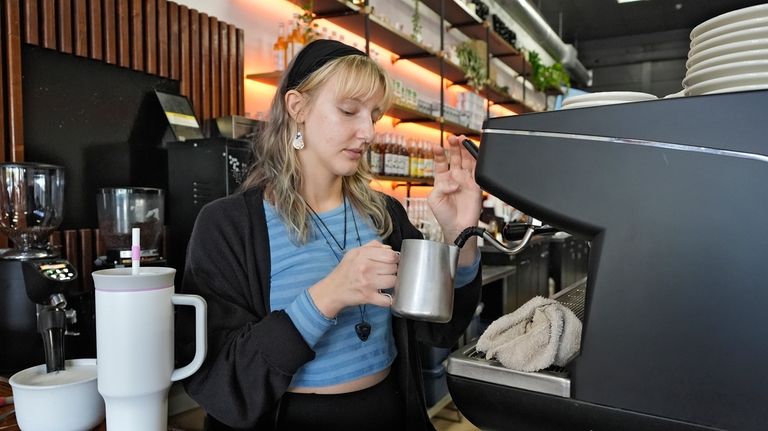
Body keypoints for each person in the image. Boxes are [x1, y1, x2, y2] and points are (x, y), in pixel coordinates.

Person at [178, 39, 483, 431]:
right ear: (297, 107)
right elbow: (224, 381)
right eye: (348, 111)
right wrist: (328, 296)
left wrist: (463, 236)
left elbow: (439, 329)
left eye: (374, 114)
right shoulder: (228, 226)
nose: (368, 131)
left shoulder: (384, 213)